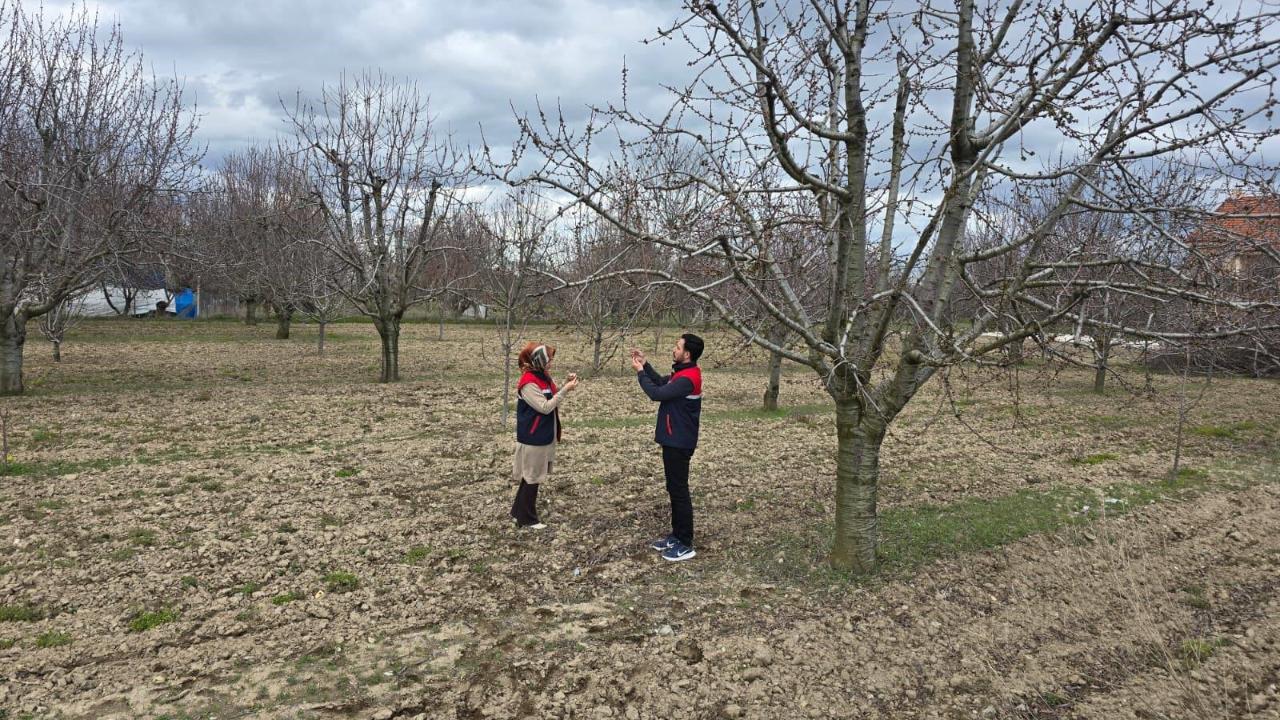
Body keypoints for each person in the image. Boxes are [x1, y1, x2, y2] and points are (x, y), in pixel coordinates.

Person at [630, 333, 704, 561]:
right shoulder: (682, 374)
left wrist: (640, 373)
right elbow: (663, 383)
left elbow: (657, 393)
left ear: (687, 354)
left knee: (679, 491)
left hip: (679, 441)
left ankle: (686, 543)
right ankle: (677, 534)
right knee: (673, 488)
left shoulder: (688, 378)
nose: (674, 349)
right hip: (674, 439)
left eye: (677, 346)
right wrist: (646, 365)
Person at [511, 342, 578, 528]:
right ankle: (527, 519)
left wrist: (565, 384)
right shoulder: (529, 382)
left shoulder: (542, 377)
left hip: (542, 434)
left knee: (531, 475)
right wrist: (565, 390)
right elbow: (545, 407)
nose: (552, 362)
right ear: (538, 360)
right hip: (533, 436)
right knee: (532, 476)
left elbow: (552, 396)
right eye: (549, 359)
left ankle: (518, 511)